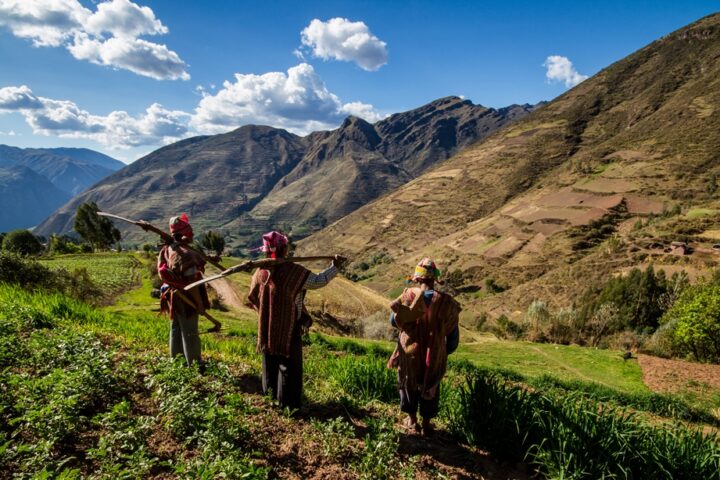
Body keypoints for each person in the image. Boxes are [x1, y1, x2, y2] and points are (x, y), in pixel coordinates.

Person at [246, 231, 345, 409]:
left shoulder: (260, 272)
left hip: (267, 326)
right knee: (289, 367)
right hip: (289, 327)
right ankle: (288, 406)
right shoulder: (293, 272)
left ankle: (270, 399)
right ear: (284, 249)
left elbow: (253, 296)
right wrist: (335, 266)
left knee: (270, 361)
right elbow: (318, 281)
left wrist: (266, 314)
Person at [387, 257, 460, 436]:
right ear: (434, 279)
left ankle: (412, 420)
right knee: (431, 384)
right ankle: (427, 424)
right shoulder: (447, 303)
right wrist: (444, 351)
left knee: (408, 381)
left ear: (417, 279)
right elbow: (453, 336)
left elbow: (393, 321)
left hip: (409, 350)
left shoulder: (407, 296)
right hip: (433, 352)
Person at [157, 213, 210, 368]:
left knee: (177, 328)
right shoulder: (185, 255)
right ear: (184, 234)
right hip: (187, 298)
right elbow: (192, 281)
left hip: (174, 296)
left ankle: (177, 361)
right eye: (190, 231)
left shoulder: (169, 249)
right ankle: (195, 365)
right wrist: (199, 303)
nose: (192, 234)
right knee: (190, 332)